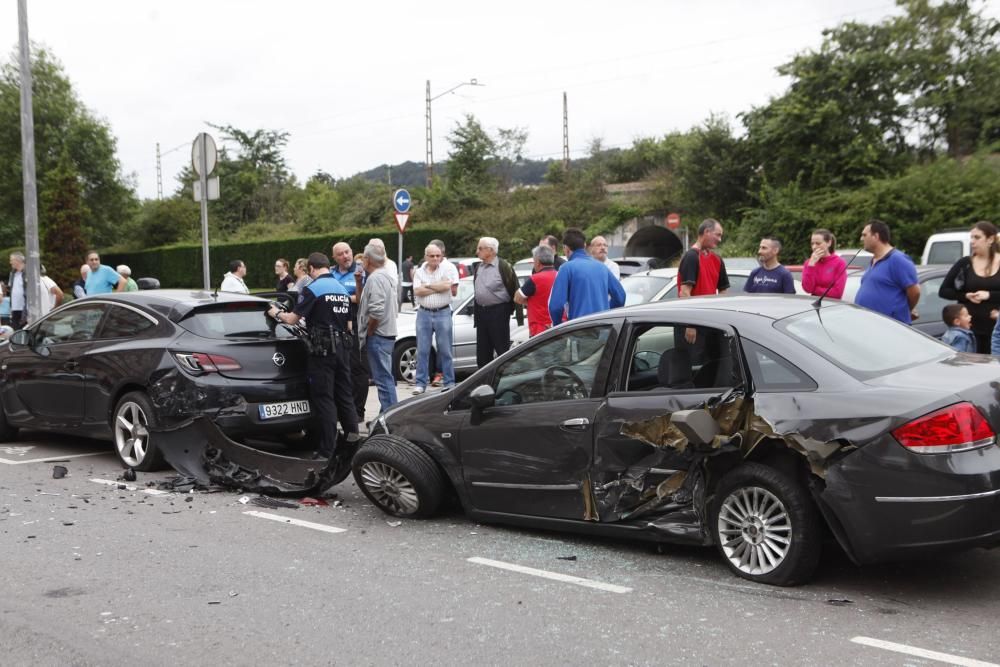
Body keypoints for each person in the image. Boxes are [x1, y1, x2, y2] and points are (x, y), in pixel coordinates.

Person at [267, 252, 359, 459]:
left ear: (311, 269)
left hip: (323, 351)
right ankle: (353, 440)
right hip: (343, 349)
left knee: (324, 398)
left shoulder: (313, 289)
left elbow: (291, 320)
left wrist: (276, 313)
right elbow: (349, 324)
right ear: (328, 266)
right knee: (344, 394)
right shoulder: (342, 289)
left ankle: (327, 450)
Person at [938, 221, 1000, 353]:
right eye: (971, 237)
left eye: (977, 237)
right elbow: (944, 291)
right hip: (969, 333)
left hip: (996, 332)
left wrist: (989, 295)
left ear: (990, 239)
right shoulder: (965, 263)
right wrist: (966, 296)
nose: (972, 241)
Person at [549, 228, 626, 325]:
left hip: (579, 330)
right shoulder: (602, 267)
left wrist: (558, 327)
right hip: (604, 329)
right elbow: (620, 297)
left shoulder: (566, 268)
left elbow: (556, 306)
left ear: (566, 248)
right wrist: (607, 313)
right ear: (584, 245)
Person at [411, 244, 459, 394]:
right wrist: (437, 286)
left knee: (445, 350)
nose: (435, 258)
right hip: (423, 313)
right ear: (426, 257)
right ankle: (420, 383)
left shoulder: (447, 268)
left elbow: (447, 287)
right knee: (423, 350)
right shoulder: (419, 272)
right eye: (432, 256)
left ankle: (449, 382)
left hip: (443, 312)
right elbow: (418, 291)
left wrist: (428, 285)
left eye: (438, 255)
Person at [332, 241, 371, 423]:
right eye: (340, 254)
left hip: (356, 321)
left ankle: (358, 411)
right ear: (335, 257)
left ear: (352, 252)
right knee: (340, 367)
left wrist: (343, 297)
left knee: (359, 367)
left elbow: (362, 298)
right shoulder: (331, 274)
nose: (345, 256)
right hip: (336, 323)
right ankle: (343, 409)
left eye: (347, 252)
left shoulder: (361, 271)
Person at [357, 243, 398, 411]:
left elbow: (376, 311)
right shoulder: (386, 276)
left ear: (367, 259)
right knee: (385, 378)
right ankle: (386, 416)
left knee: (383, 380)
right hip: (386, 335)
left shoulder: (375, 278)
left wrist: (370, 331)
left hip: (379, 336)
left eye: (363, 259)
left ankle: (391, 419)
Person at [855, 220, 920, 324]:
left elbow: (915, 291)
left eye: (864, 235)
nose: (861, 239)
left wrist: (905, 310)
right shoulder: (873, 261)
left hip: (890, 327)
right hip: (870, 324)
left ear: (875, 236)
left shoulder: (897, 259)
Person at [678, 219, 730, 346]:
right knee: (692, 364)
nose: (720, 239)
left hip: (710, 323)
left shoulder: (717, 260)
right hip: (692, 326)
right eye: (718, 235)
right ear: (706, 232)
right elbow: (684, 292)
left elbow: (723, 291)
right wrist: (690, 324)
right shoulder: (691, 256)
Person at [473, 237, 521, 367]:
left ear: (491, 250)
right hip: (482, 313)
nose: (477, 251)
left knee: (502, 350)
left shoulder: (503, 266)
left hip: (499, 312)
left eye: (480, 248)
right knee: (482, 353)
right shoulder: (479, 267)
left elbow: (515, 289)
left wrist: (517, 314)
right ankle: (484, 382)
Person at [514, 244, 558, 336]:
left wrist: (531, 302)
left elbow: (517, 298)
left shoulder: (535, 279)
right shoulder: (560, 275)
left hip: (540, 329)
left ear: (537, 262)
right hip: (560, 326)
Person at [801, 228, 847, 299]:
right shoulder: (809, 263)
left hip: (831, 305)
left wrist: (815, 289)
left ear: (829, 243)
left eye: (818, 243)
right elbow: (808, 289)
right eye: (812, 243)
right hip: (814, 304)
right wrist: (811, 265)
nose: (814, 247)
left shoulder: (839, 263)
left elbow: (837, 293)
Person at [8, 252, 25, 330]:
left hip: (24, 308)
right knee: (16, 331)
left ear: (18, 261)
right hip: (15, 308)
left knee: (25, 330)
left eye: (12, 260)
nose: (10, 262)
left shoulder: (27, 273)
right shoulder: (12, 274)